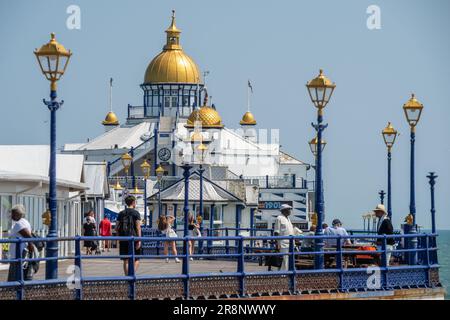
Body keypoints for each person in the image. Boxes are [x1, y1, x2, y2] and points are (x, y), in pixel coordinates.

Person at [116, 196, 142, 275]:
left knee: (126, 260)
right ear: (133, 202)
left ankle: (127, 277)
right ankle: (132, 275)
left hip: (123, 238)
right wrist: (139, 240)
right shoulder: (136, 213)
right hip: (133, 238)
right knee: (137, 259)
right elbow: (138, 227)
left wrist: (118, 238)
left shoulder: (121, 213)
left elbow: (117, 227)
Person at [8, 205, 34, 281]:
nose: (11, 216)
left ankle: (15, 292)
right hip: (20, 254)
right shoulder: (25, 222)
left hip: (18, 255)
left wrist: (30, 246)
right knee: (20, 277)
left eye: (13, 214)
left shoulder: (19, 224)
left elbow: (28, 236)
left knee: (13, 279)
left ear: (18, 214)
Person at [273, 204, 295, 271]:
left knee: (289, 259)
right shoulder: (279, 218)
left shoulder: (288, 219)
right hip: (283, 243)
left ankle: (287, 273)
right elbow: (276, 232)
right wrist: (277, 244)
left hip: (290, 242)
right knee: (284, 260)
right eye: (288, 209)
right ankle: (283, 274)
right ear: (284, 210)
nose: (290, 211)